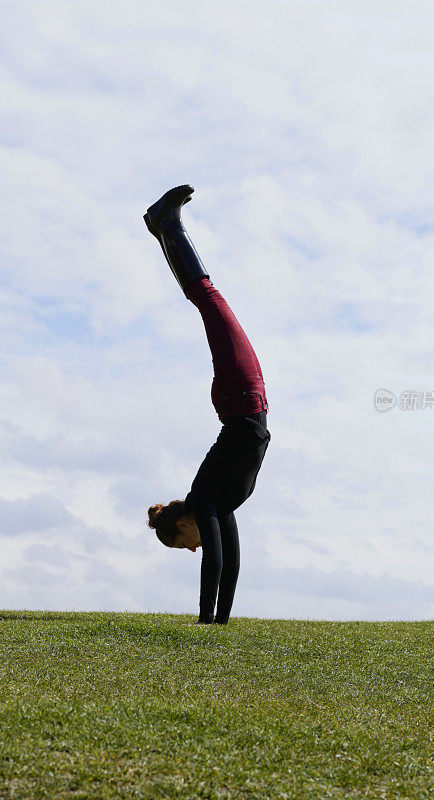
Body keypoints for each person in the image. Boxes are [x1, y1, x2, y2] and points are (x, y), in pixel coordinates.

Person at [144, 185, 271, 626]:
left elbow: (213, 560)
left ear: (182, 525)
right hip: (246, 400)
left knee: (210, 300)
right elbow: (231, 562)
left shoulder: (205, 497)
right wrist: (220, 625)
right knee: (208, 301)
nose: (196, 547)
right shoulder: (219, 502)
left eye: (186, 544)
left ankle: (168, 225)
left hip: (240, 398)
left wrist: (203, 622)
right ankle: (164, 227)